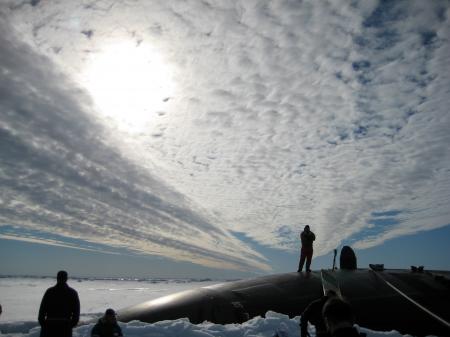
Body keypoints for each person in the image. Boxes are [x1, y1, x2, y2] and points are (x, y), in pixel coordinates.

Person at [38, 270, 80, 337]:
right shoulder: (72, 293)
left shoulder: (49, 291)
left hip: (49, 326)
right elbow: (76, 312)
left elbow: (42, 310)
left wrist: (44, 324)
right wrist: (70, 325)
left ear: (57, 278)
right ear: (67, 279)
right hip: (64, 327)